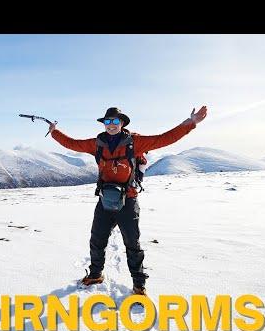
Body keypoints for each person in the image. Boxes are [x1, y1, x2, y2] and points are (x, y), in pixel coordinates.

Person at [48, 106, 207, 296]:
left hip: (128, 201)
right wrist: (55, 132)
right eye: (108, 121)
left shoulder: (135, 142)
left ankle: (139, 284)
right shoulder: (97, 144)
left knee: (132, 243)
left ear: (122, 123)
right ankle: (96, 274)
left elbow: (164, 138)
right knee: (97, 240)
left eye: (115, 121)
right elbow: (73, 144)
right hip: (105, 200)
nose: (111, 125)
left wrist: (190, 123)